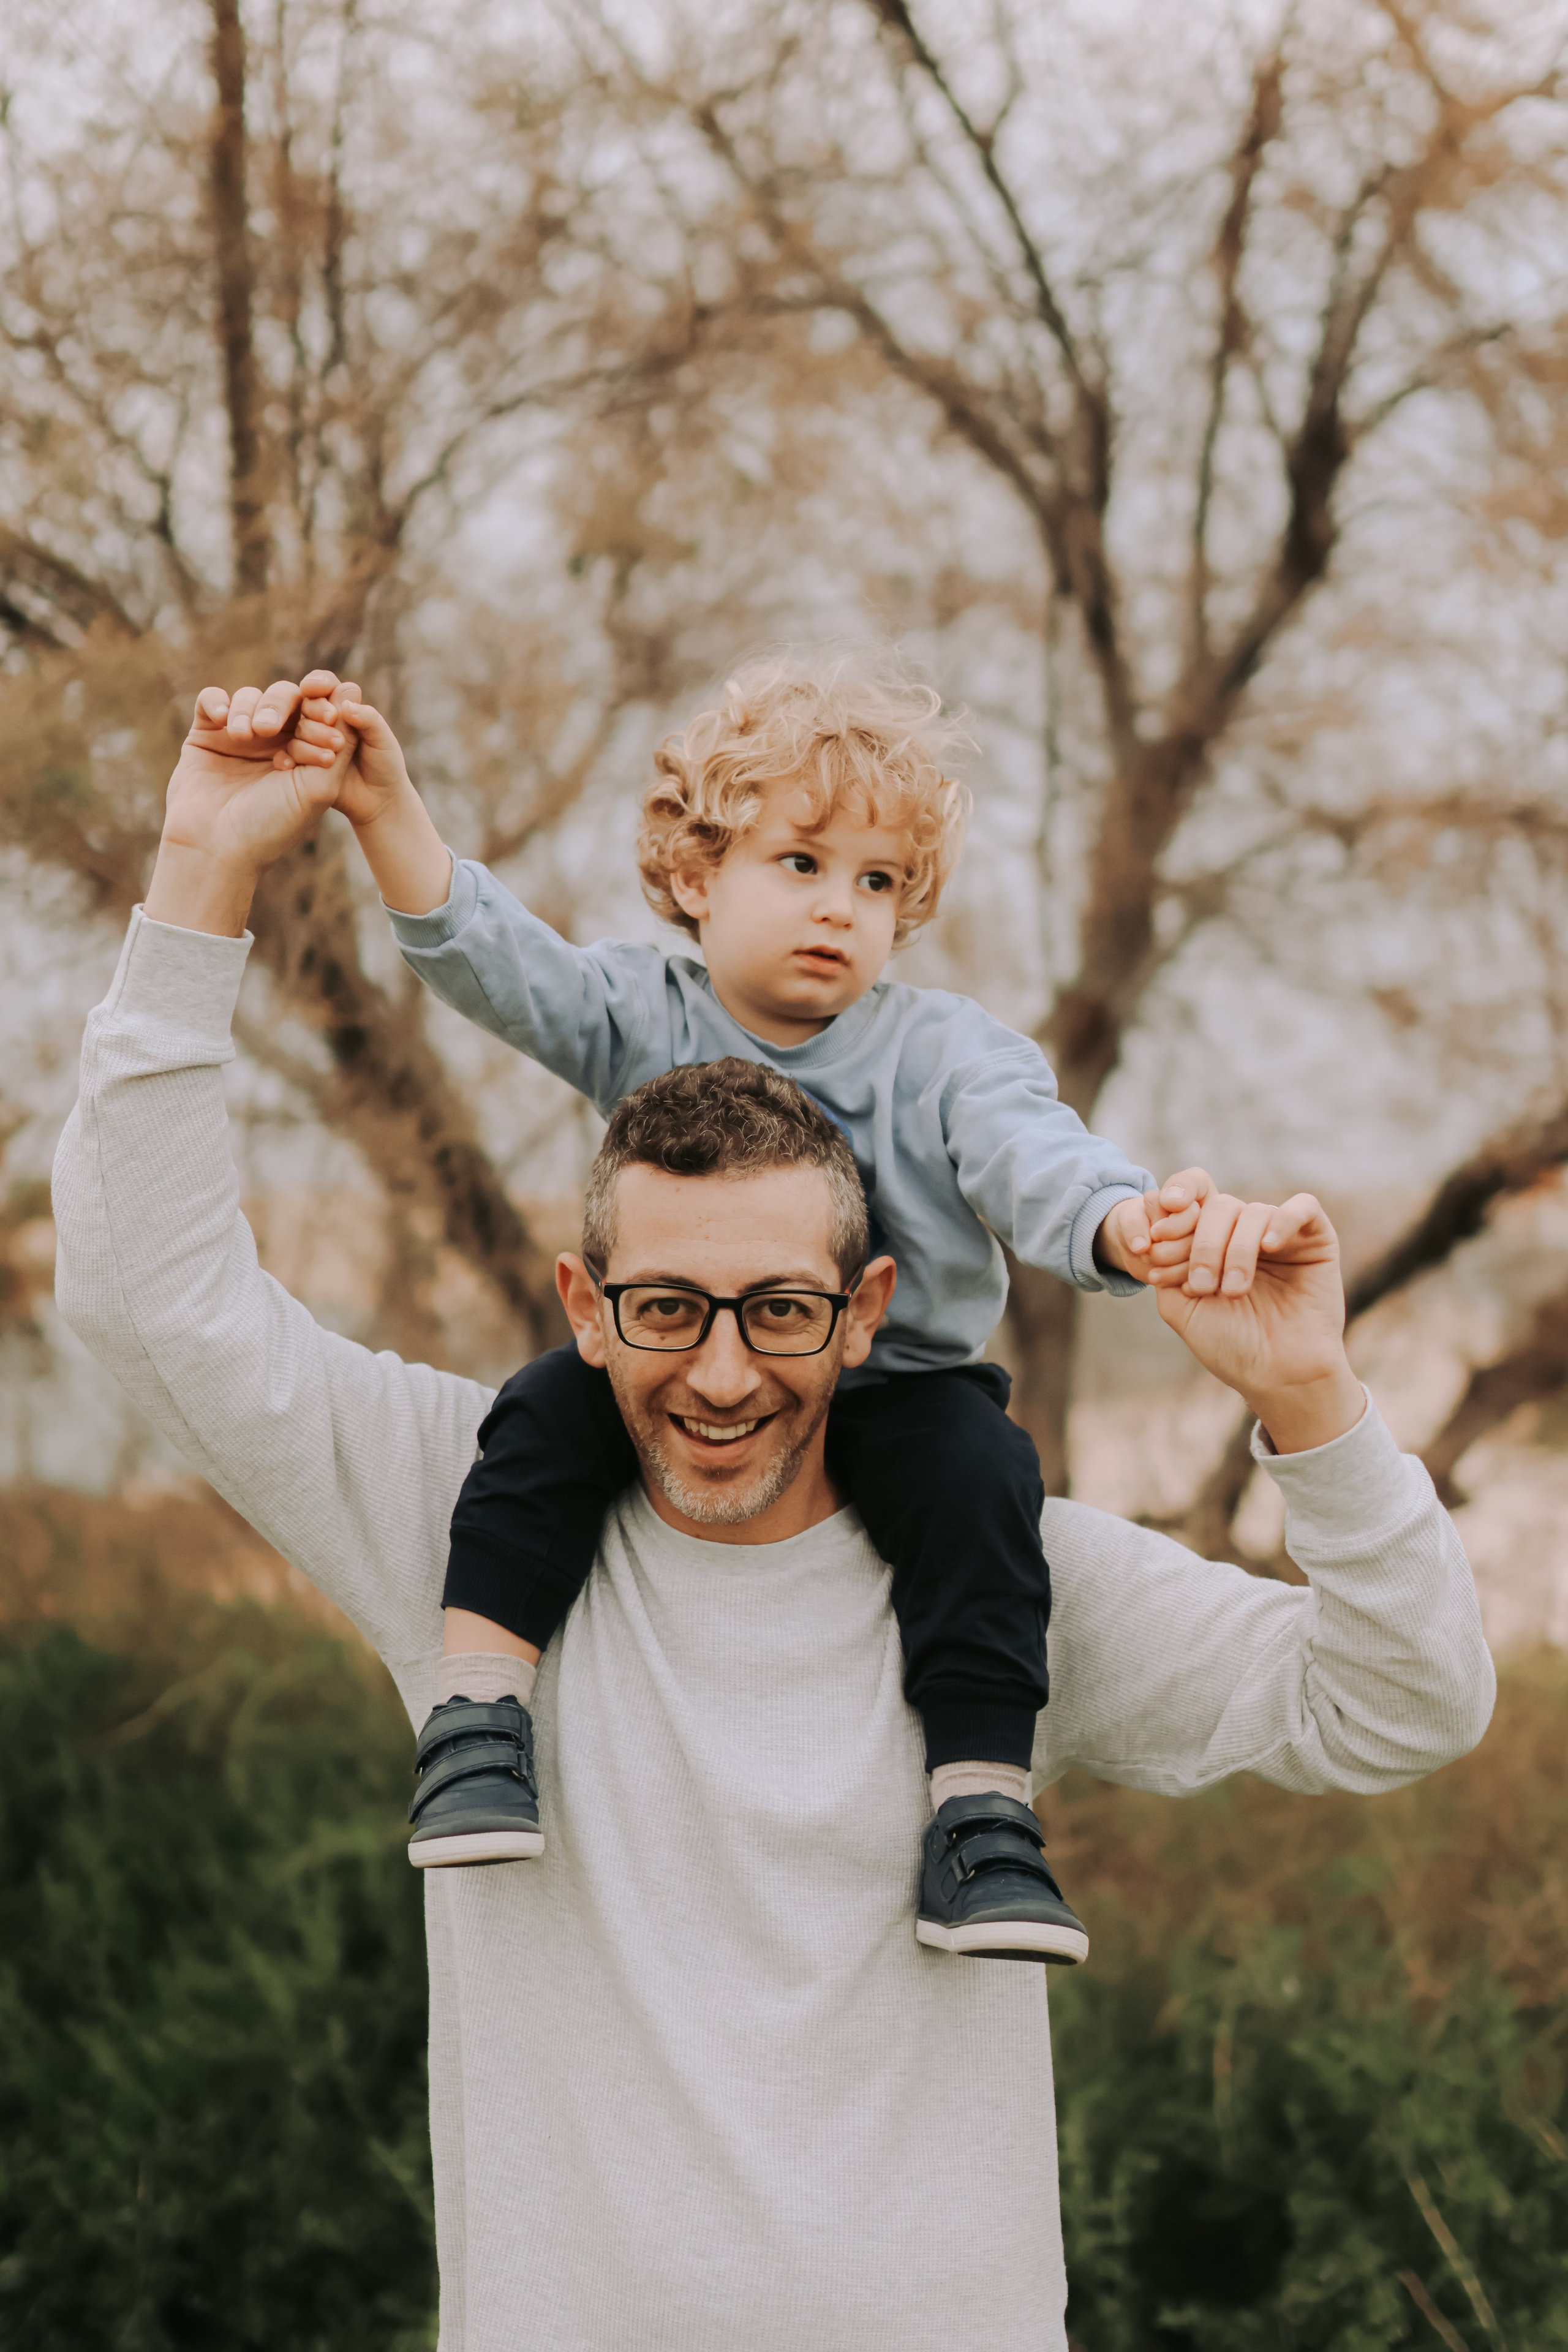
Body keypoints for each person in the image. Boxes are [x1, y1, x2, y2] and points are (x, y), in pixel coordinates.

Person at [53, 696, 1494, 2351]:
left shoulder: (996, 1583)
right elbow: (142, 1296)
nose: (725, 1373)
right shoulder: (460, 1516)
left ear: (872, 1307)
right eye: (668, 1308)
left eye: (784, 1313)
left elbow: (1408, 1702)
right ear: (581, 1307)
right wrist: (197, 871)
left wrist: (1308, 1405)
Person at [200, 653, 1242, 1964]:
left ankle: (979, 1818)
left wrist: (1120, 1228)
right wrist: (385, 813)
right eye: (799, 864)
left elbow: (1031, 1159)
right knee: (537, 1420)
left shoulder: (945, 1053)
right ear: (697, 878)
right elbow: (496, 966)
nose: (838, 909)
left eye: (875, 884)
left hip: (904, 1386)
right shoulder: (647, 1015)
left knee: (989, 1497)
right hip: (691, 1367)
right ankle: (476, 1718)